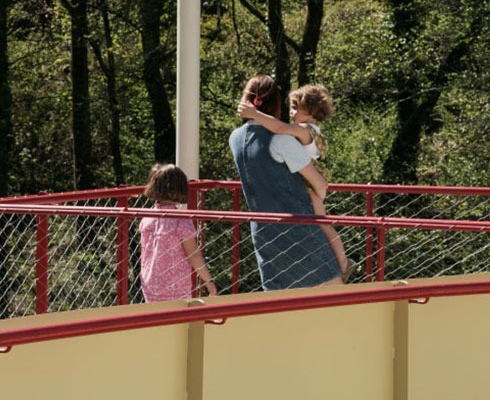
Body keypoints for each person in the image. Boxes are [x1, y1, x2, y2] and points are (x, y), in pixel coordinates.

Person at [227, 75, 341, 291]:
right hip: (298, 227)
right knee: (333, 291)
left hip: (263, 230)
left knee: (280, 298)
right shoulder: (282, 140)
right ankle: (344, 263)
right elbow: (319, 183)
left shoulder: (234, 138)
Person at [137, 164, 218, 302]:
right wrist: (208, 280)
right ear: (181, 189)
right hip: (176, 285)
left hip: (149, 282)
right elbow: (193, 254)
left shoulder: (147, 217)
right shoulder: (181, 220)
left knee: (156, 320)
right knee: (177, 320)